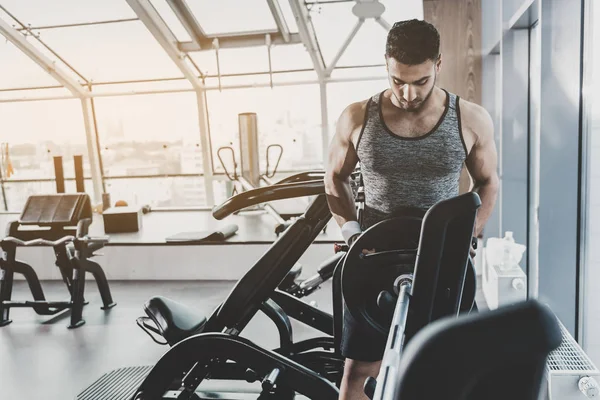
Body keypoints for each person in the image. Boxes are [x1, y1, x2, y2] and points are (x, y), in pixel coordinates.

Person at [324, 19, 499, 400]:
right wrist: (351, 233)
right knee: (359, 371)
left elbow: (489, 183)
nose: (407, 93)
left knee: (453, 366)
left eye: (420, 81)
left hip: (442, 259)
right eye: (397, 80)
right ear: (387, 64)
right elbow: (334, 177)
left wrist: (470, 232)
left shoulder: (468, 118)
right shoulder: (357, 117)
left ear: (438, 64)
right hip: (374, 257)